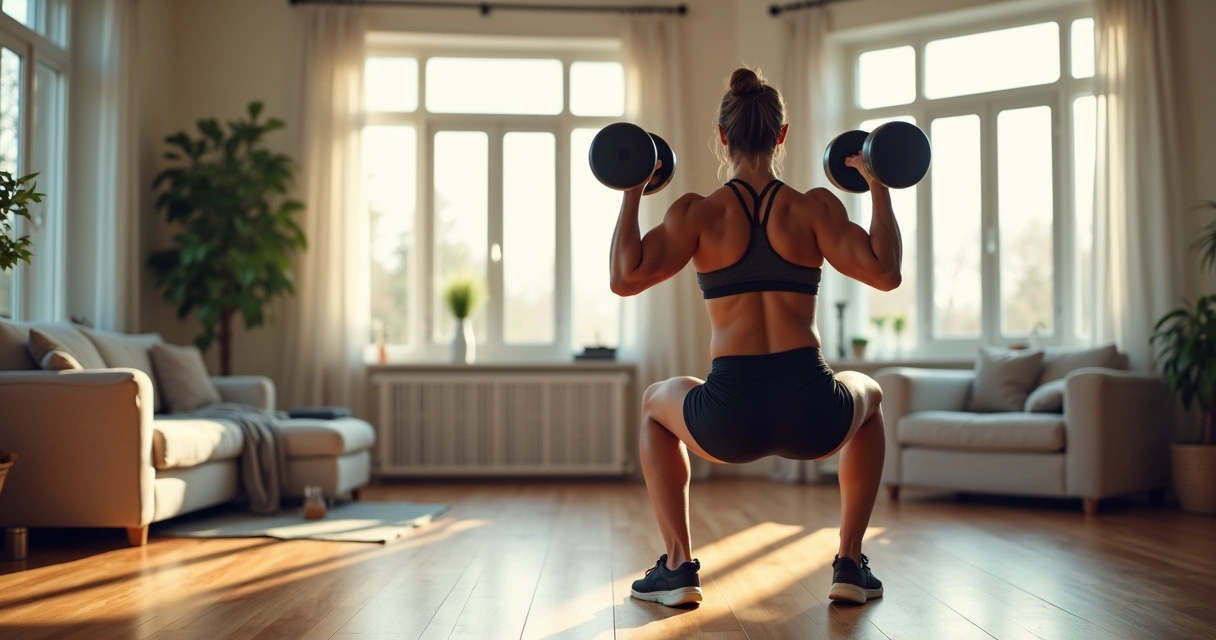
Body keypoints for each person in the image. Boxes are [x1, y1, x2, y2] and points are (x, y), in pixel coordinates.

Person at [610, 67, 900, 607]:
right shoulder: (816, 208)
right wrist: (878, 183)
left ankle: (677, 568)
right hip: (813, 414)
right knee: (871, 395)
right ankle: (849, 563)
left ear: (722, 136)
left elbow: (624, 279)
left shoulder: (696, 213)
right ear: (782, 135)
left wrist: (633, 190)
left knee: (654, 403)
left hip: (728, 420)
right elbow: (886, 273)